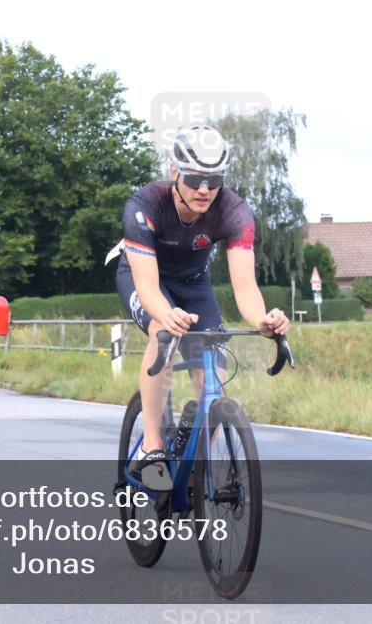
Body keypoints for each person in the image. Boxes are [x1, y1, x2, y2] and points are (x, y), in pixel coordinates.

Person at [113, 125, 290, 490]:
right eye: (194, 178)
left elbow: (245, 286)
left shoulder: (234, 211)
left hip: (194, 284)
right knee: (163, 334)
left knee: (213, 371)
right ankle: (152, 446)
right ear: (174, 172)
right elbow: (147, 287)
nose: (205, 190)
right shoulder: (144, 206)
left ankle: (197, 467)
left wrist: (263, 319)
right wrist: (165, 314)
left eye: (214, 179)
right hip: (145, 275)